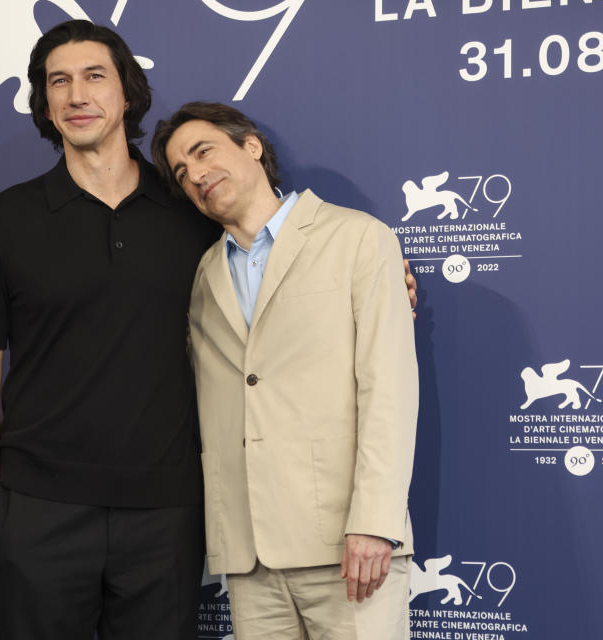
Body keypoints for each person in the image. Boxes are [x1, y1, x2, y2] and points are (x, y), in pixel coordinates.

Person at [0, 21, 218, 640]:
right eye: (57, 81)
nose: (76, 95)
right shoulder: (4, 220)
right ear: (43, 104)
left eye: (95, 76)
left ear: (127, 93)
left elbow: (282, 270)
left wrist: (385, 279)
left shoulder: (193, 212)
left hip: (166, 513)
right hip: (37, 512)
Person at [152, 102, 419, 639]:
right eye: (181, 172)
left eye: (203, 152)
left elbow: (389, 389)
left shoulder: (357, 238)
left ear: (251, 146)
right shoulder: (201, 276)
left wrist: (374, 522)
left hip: (348, 546)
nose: (196, 175)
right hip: (249, 559)